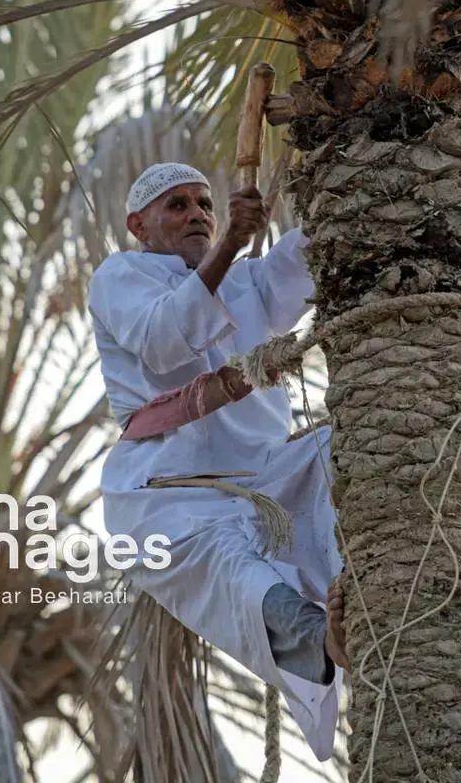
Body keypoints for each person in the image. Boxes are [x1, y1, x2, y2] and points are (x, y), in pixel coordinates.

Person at [87, 162, 347, 761]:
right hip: (169, 495)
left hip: (268, 478)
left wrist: (329, 167)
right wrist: (231, 238)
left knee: (343, 446)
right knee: (241, 576)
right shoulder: (121, 276)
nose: (196, 214)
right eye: (176, 205)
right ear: (138, 223)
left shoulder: (247, 281)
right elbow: (162, 339)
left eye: (204, 204)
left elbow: (312, 253)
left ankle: (358, 592)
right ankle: (325, 640)